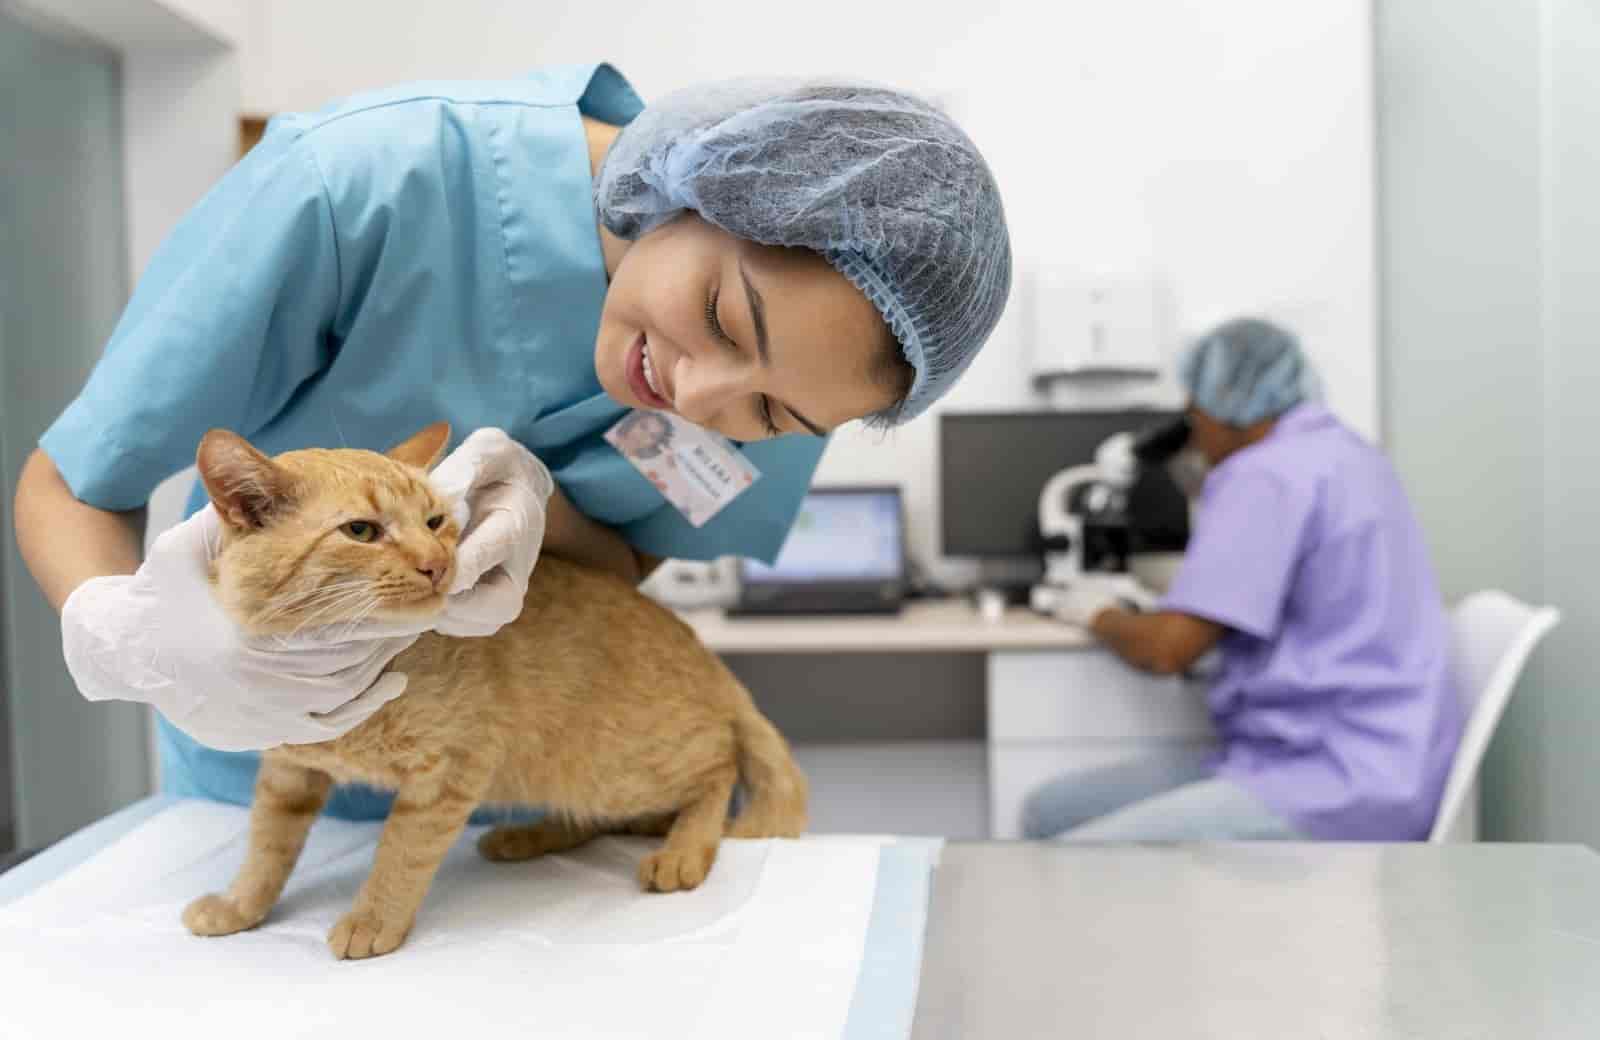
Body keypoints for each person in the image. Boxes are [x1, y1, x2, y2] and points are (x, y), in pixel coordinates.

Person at [12, 64, 1011, 819]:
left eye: (772, 417)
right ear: (704, 191)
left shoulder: (803, 375)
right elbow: (72, 483)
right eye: (720, 311)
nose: (700, 395)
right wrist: (131, 634)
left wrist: (537, 518)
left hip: (523, 786)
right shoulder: (362, 187)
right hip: (270, 784)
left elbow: (626, 561)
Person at [1024, 319, 1463, 842]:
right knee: (1049, 810)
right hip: (1380, 760)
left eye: (1193, 410)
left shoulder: (1264, 476)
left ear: (1225, 402)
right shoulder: (1347, 453)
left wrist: (1095, 611)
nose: (1193, 430)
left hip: (1332, 783)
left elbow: (1166, 651)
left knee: (1061, 864)